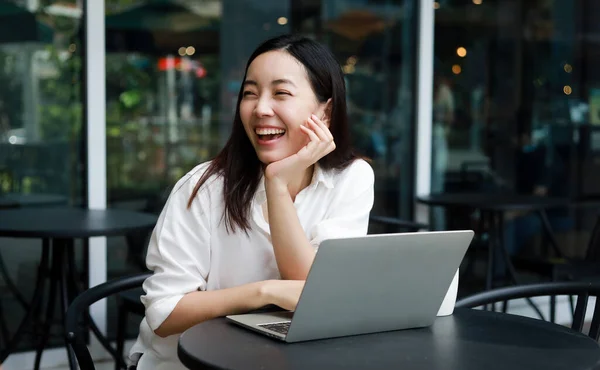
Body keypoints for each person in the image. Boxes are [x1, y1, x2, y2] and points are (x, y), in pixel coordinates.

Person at [128, 34, 375, 370]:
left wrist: (275, 183)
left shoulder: (351, 178)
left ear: (326, 112)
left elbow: (312, 294)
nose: (260, 109)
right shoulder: (203, 188)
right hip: (186, 364)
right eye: (250, 93)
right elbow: (165, 313)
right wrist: (264, 292)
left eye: (281, 93)